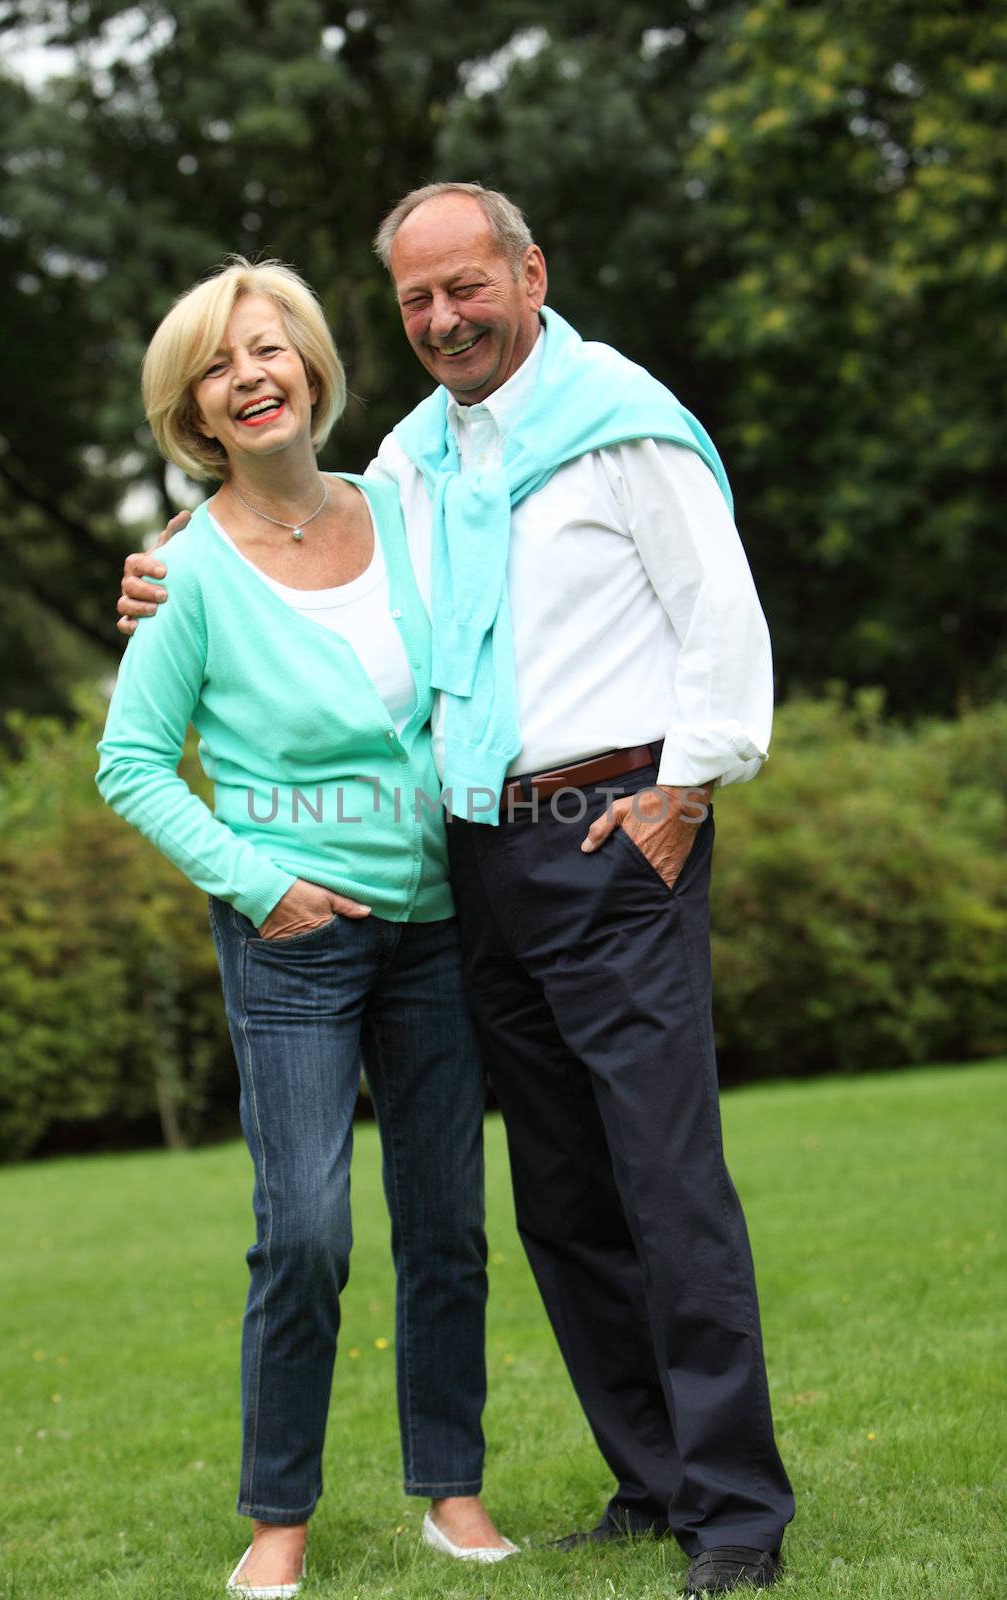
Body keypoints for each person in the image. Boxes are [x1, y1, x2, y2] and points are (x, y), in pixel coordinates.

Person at [118, 186, 795, 1596]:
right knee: (556, 1191)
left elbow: (719, 614)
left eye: (467, 287)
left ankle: (735, 1511)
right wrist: (156, 569)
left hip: (619, 832)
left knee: (666, 1185)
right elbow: (285, 544)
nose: (446, 319)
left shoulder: (622, 421)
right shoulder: (417, 461)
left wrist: (692, 784)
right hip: (477, 857)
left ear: (531, 273)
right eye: (418, 300)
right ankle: (653, 1481)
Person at [96, 258, 517, 1597]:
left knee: (446, 1221)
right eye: (220, 367)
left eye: (270, 349)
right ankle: (276, 1523)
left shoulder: (407, 508)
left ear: (317, 369)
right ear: (197, 412)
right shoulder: (182, 572)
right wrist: (257, 881)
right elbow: (132, 763)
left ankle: (451, 1495)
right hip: (291, 944)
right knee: (306, 1234)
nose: (251, 375)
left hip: (438, 924)